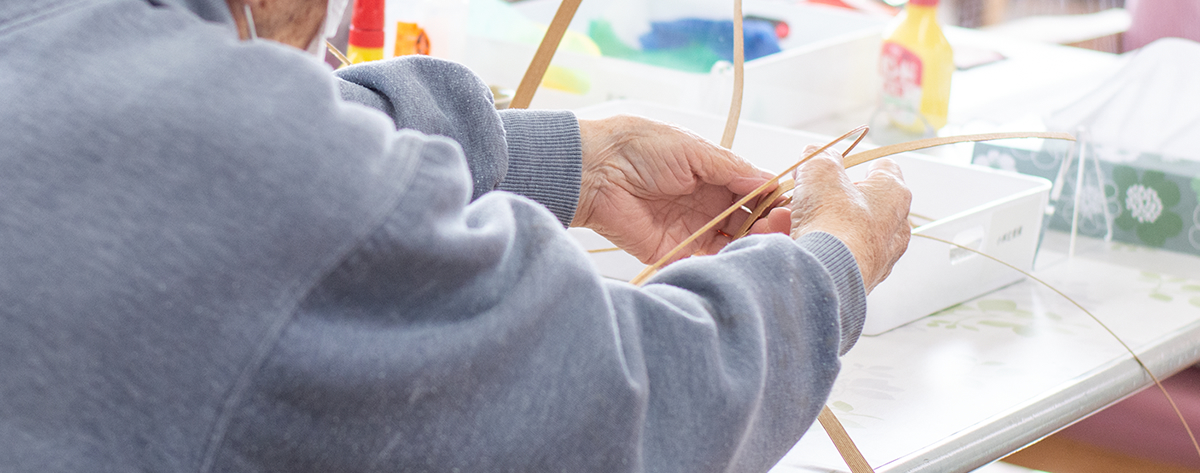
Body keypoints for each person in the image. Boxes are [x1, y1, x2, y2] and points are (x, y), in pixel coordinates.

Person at [0, 0, 911, 471]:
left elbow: (275, 128)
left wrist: (576, 163)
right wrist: (830, 266)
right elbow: (618, 411)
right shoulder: (229, 151)